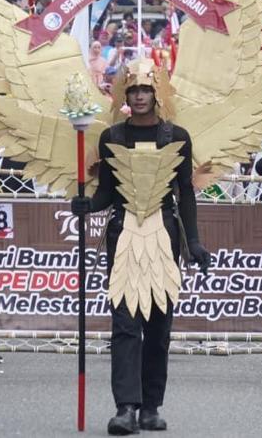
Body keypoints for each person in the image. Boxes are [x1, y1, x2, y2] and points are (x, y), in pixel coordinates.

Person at [70, 59, 209, 435]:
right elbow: (106, 193)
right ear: (125, 96)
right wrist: (86, 205)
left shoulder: (176, 135)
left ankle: (151, 406)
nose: (141, 96)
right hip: (123, 237)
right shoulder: (111, 136)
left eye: (146, 90)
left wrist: (193, 241)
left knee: (159, 326)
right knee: (125, 325)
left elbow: (185, 193)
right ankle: (125, 407)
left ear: (156, 94)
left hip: (164, 236)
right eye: (134, 90)